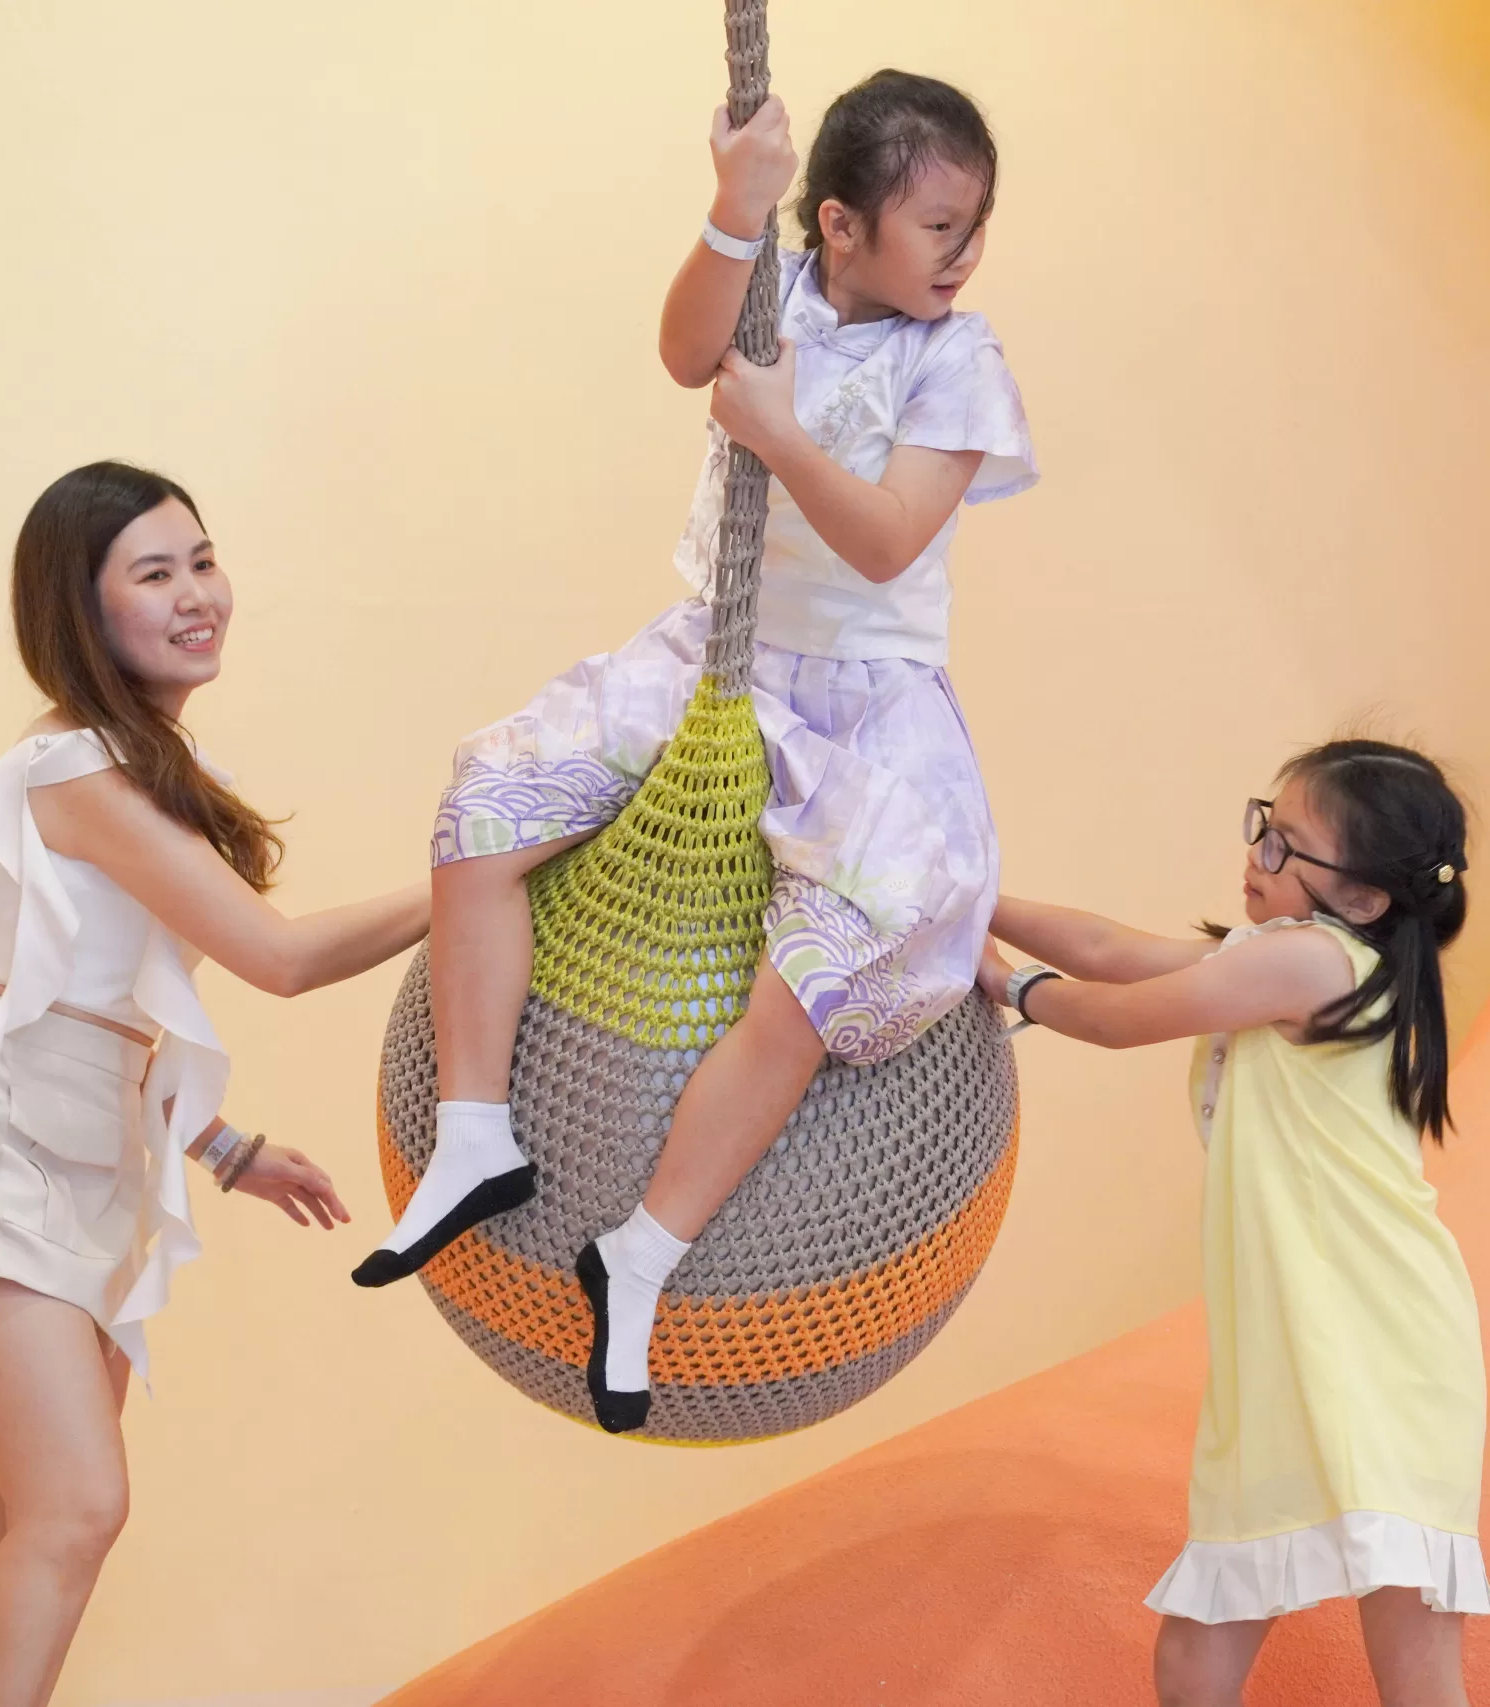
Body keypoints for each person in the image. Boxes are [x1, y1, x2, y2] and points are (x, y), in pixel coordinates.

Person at [353, 71, 1038, 1436]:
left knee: (814, 982)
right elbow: (683, 350)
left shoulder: (956, 360)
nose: (966, 255)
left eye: (976, 227)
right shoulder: (776, 291)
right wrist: (735, 208)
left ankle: (645, 1250)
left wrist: (773, 428)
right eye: (939, 227)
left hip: (859, 712)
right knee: (484, 812)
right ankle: (475, 1131)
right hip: (708, 661)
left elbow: (890, 540)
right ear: (839, 225)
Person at [0, 461, 430, 1706]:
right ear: (82, 608)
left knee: (26, 1520)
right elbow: (278, 960)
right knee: (74, 1507)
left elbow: (108, 1004)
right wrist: (472, 878)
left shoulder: (141, 759)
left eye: (203, 562)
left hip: (75, 1137)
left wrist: (222, 1148)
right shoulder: (77, 772)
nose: (197, 596)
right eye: (155, 574)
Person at [983, 739, 1490, 1707]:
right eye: (1264, 826)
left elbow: (1117, 1014)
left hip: (1380, 1345)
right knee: (1195, 1663)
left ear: (1362, 898)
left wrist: (1006, 982)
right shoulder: (1291, 956)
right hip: (1293, 1347)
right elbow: (1108, 950)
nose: (1256, 856)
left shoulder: (1312, 964)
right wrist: (974, 901)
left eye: (1284, 846)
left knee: (1414, 1669)